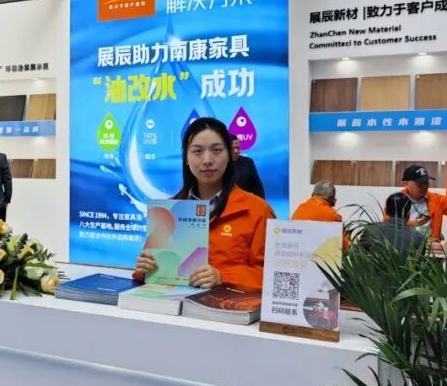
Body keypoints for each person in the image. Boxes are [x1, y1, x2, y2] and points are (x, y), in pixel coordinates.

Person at [133, 117, 274, 290]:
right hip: (176, 304)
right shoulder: (168, 211)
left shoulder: (257, 211)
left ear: (230, 155)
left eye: (216, 150)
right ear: (186, 158)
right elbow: (153, 273)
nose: (207, 160)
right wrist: (144, 270)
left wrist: (223, 276)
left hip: (227, 305)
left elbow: (272, 275)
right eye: (197, 151)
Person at [394, 165, 447, 242]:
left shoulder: (436, 200)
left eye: (426, 182)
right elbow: (390, 227)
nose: (425, 186)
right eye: (420, 183)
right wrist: (413, 223)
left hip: (431, 248)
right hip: (403, 247)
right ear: (406, 183)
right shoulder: (395, 202)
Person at [360, 192, 425, 261]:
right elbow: (419, 263)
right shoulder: (419, 237)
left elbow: (359, 257)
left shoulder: (371, 229)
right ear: (408, 214)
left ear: (385, 211)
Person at [291, 181, 350, 250]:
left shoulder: (299, 209)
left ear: (312, 194)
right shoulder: (334, 216)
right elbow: (345, 248)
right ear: (334, 201)